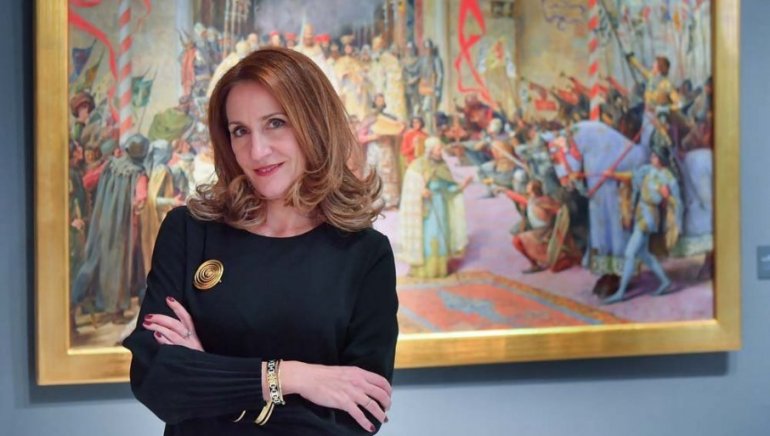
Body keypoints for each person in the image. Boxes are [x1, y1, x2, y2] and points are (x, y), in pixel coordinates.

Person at [123, 47, 398, 435]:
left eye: (275, 123)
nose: (257, 151)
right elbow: (158, 383)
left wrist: (210, 377)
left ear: (315, 124)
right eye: (240, 131)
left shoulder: (365, 254)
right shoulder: (187, 232)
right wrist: (292, 377)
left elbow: (357, 419)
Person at [399, 136, 471, 278]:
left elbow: (448, 188)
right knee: (429, 235)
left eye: (441, 149)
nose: (440, 152)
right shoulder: (418, 165)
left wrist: (462, 186)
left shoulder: (443, 166)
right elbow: (410, 187)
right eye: (438, 149)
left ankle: (441, 268)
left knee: (441, 234)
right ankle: (424, 269)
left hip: (441, 205)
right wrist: (421, 192)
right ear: (430, 150)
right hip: (426, 207)